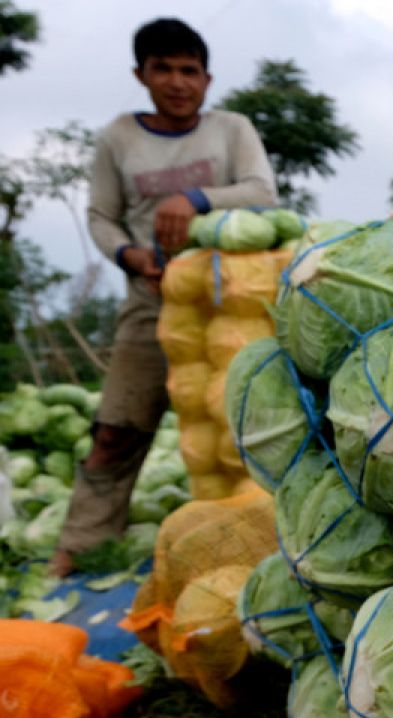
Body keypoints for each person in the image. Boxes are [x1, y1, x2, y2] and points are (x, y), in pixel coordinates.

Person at [49, 18, 276, 576]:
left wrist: (194, 198)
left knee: (244, 431)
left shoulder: (231, 129)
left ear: (207, 78)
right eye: (164, 70)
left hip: (233, 301)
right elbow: (102, 216)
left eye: (189, 71)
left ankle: (261, 549)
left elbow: (261, 194)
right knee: (114, 431)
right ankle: (78, 548)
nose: (178, 83)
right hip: (152, 302)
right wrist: (130, 256)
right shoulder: (119, 137)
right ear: (141, 74)